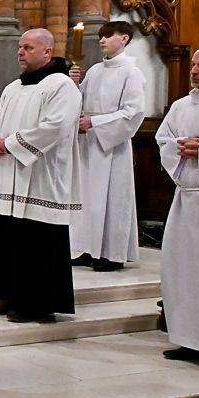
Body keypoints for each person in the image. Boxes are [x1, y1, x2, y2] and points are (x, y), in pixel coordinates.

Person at [0, 28, 82, 323]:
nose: (20, 52)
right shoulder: (13, 87)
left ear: (47, 52)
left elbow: (55, 127)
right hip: (10, 174)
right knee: (13, 235)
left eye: (28, 47)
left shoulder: (61, 86)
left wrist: (10, 144)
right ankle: (11, 294)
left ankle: (38, 304)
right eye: (20, 46)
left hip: (42, 176)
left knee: (38, 239)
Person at [69, 22, 146, 272]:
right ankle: (88, 248)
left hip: (112, 147)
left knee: (112, 199)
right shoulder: (94, 70)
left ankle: (112, 254)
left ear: (124, 39)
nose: (102, 40)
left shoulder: (131, 72)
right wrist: (74, 85)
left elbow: (134, 112)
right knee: (89, 198)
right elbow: (80, 101)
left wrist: (95, 122)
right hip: (89, 143)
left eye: (108, 36)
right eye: (101, 36)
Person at [155, 45, 199, 361]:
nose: (194, 71)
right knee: (183, 271)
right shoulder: (181, 105)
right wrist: (179, 146)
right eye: (194, 65)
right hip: (185, 198)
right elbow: (163, 139)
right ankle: (189, 338)